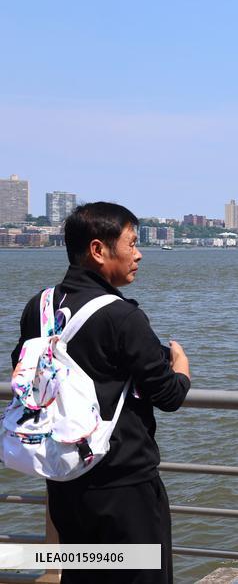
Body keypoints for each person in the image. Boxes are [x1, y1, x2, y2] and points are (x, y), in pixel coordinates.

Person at [11, 202, 191, 584]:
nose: (139, 254)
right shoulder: (121, 316)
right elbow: (169, 395)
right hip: (123, 485)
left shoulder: (38, 307)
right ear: (98, 250)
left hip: (65, 479)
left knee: (84, 576)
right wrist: (181, 367)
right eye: (131, 243)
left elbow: (22, 373)